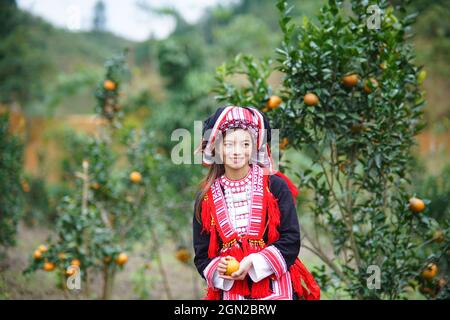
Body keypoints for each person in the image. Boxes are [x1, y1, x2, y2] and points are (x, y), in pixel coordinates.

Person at [192, 106, 320, 300]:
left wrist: (253, 262)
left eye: (245, 144)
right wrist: (221, 268)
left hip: (278, 290)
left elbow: (291, 240)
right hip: (230, 294)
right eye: (229, 144)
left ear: (253, 147)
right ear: (218, 148)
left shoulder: (275, 186)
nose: (237, 152)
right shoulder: (206, 198)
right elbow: (202, 256)